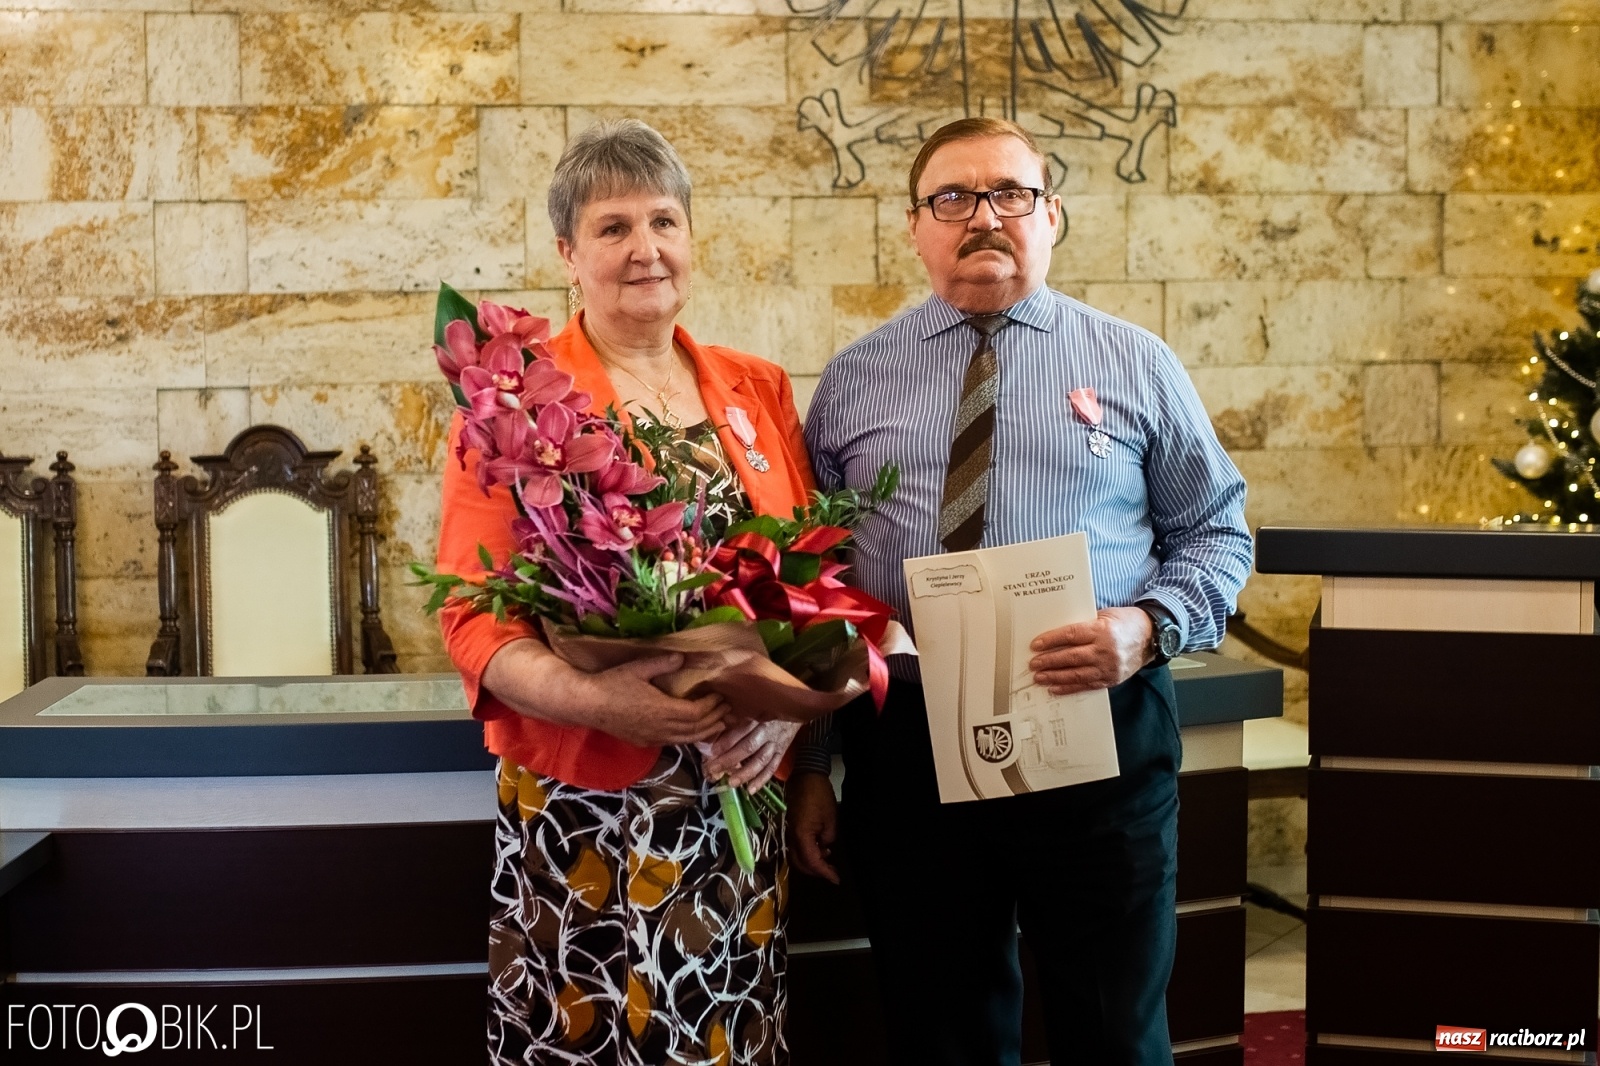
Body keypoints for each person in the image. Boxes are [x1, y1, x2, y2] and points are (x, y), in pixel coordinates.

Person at [786, 117, 1252, 1066]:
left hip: (1097, 734)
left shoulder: (1136, 363)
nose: (983, 217)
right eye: (952, 197)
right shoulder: (854, 381)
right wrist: (813, 762)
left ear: (1052, 216)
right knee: (941, 1034)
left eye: (1010, 193)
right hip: (908, 751)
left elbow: (1218, 530)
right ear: (914, 227)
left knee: (1114, 1032)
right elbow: (818, 580)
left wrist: (1148, 628)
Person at [435, 118, 813, 1066]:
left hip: (736, 795)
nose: (646, 248)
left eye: (663, 221)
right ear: (568, 255)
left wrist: (788, 718)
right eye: (613, 227)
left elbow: (812, 584)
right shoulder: (516, 404)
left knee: (722, 1033)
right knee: (591, 1036)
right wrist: (602, 700)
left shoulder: (759, 388)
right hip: (586, 808)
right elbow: (474, 619)